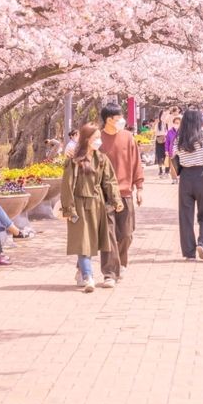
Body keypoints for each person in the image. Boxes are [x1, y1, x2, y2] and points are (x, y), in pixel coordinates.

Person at [61, 123, 123, 293]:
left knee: (104, 240)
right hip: (80, 204)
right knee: (83, 242)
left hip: (98, 204)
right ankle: (88, 276)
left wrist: (116, 200)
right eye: (95, 138)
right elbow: (67, 185)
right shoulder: (74, 161)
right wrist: (69, 208)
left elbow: (109, 181)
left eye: (99, 138)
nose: (98, 141)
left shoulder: (101, 159)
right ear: (86, 139)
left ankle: (104, 274)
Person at [97, 103, 144, 287]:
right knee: (108, 236)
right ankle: (109, 273)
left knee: (126, 234)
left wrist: (139, 187)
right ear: (109, 120)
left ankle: (121, 263)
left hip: (125, 193)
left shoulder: (127, 137)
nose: (121, 121)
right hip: (104, 194)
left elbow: (136, 163)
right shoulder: (98, 139)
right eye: (118, 118)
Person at [173, 108, 203, 261]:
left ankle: (189, 252)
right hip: (202, 176)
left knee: (185, 216)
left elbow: (174, 155)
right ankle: (202, 242)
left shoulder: (179, 137)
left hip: (185, 177)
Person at [165, 114, 181, 184]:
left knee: (180, 165)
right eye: (175, 123)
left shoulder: (183, 132)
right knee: (173, 165)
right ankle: (174, 179)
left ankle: (180, 178)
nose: (176, 124)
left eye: (178, 123)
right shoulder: (170, 132)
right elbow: (167, 142)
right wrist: (166, 150)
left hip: (181, 151)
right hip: (172, 150)